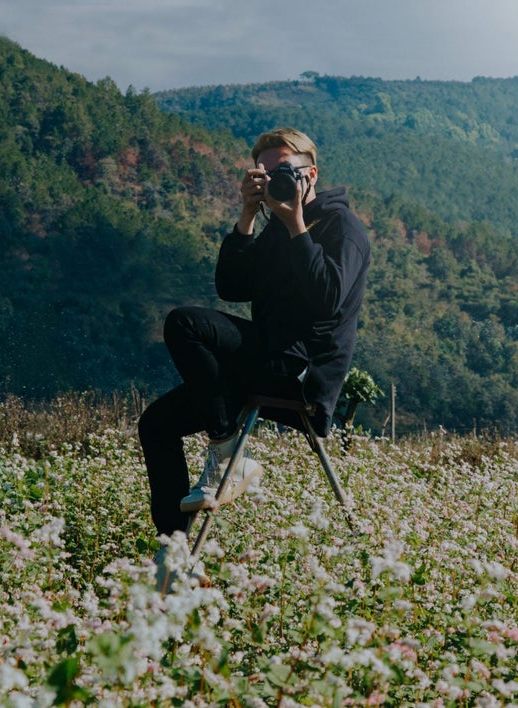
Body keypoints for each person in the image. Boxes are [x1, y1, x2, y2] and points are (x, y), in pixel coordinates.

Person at [138, 127, 371, 548]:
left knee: (186, 323)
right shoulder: (274, 226)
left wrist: (296, 223)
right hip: (266, 360)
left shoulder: (343, 227)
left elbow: (328, 301)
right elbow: (232, 287)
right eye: (263, 175)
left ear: (311, 174)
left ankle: (228, 453)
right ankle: (172, 551)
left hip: (303, 372)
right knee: (156, 424)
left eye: (284, 171)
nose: (274, 182)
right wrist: (246, 215)